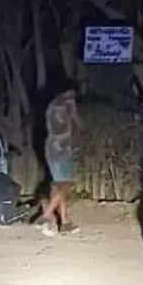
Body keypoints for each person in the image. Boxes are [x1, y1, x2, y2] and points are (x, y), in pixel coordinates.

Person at [38, 84, 81, 236]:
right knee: (64, 185)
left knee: (59, 186)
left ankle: (64, 221)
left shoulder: (54, 105)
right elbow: (69, 128)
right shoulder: (62, 106)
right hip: (61, 149)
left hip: (54, 148)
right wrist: (73, 112)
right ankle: (46, 215)